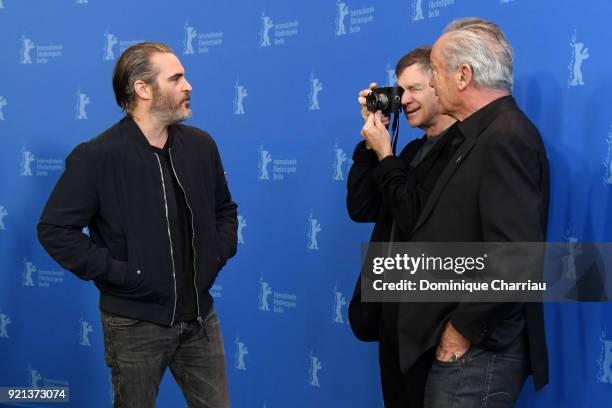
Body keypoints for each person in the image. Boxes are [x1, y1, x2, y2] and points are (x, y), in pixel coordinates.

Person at [37, 42, 238, 408]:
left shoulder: (201, 146)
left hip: (199, 319)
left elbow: (224, 210)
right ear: (142, 89)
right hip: (133, 325)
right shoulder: (97, 156)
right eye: (176, 78)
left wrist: (214, 256)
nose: (188, 85)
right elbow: (55, 230)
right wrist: (124, 275)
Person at [347, 46, 460, 407]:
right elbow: (362, 208)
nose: (404, 100)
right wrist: (371, 145)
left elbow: (419, 224)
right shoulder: (410, 154)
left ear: (441, 85)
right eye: (400, 91)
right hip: (393, 322)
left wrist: (386, 156)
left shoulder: (463, 153)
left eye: (414, 89)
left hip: (430, 327)